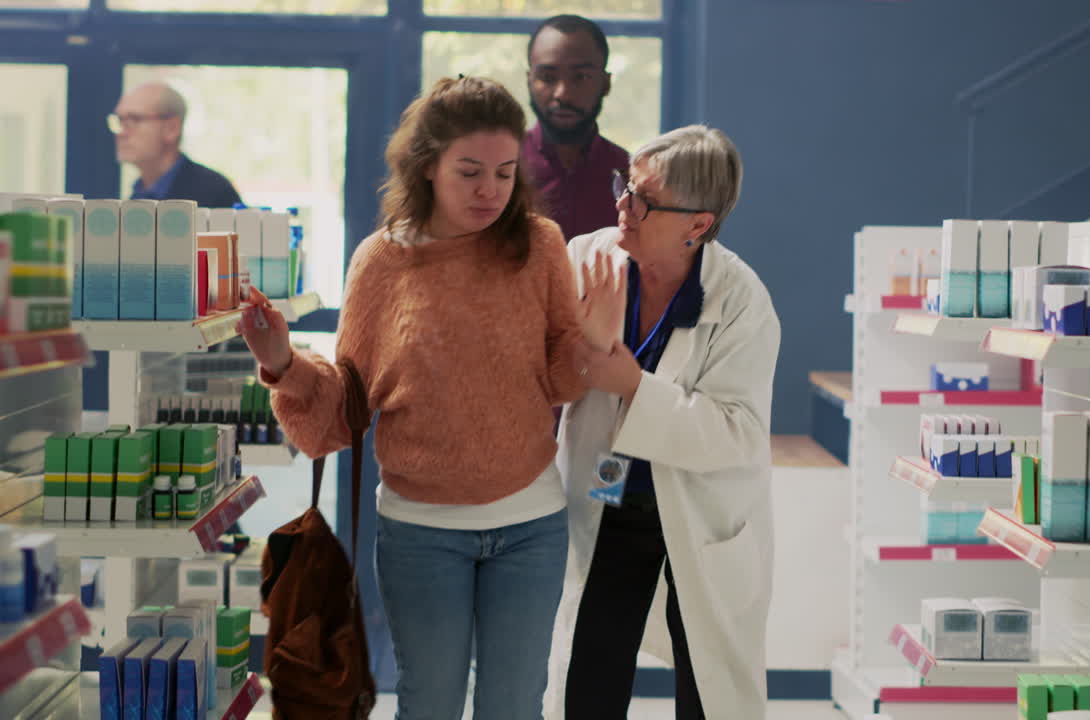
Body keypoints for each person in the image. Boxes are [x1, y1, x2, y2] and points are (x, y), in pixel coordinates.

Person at [237, 76, 623, 720]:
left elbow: (559, 377)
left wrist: (597, 338)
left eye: (504, 173)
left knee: (512, 706)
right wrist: (280, 361)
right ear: (427, 167)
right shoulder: (382, 262)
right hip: (421, 533)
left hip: (530, 524)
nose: (489, 190)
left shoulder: (539, 245)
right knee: (430, 703)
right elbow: (345, 405)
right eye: (469, 171)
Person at [548, 125, 781, 720]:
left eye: (644, 200)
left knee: (707, 688)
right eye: (625, 186)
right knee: (587, 681)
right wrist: (587, 353)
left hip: (701, 514)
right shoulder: (586, 258)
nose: (622, 205)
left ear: (697, 225)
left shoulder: (741, 301)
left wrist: (631, 385)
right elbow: (543, 366)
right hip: (607, 500)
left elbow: (737, 430)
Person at [524, 14, 630, 241]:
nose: (563, 93)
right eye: (547, 77)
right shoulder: (499, 170)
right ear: (529, 81)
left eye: (581, 77)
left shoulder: (632, 177)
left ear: (606, 83)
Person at [109, 82, 243, 206]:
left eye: (134, 119)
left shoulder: (215, 193)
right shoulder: (138, 194)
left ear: (172, 128)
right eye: (120, 121)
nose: (121, 133)